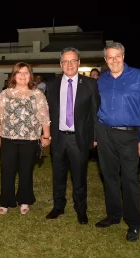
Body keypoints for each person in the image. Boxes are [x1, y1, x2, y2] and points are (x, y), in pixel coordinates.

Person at [95, 42, 140, 242]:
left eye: (117, 56)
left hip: (130, 136)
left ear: (123, 56)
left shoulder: (138, 77)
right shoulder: (101, 80)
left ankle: (134, 223)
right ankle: (113, 215)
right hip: (105, 134)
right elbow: (96, 108)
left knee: (129, 180)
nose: (114, 60)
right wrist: (96, 135)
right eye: (109, 57)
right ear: (105, 60)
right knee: (109, 177)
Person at [45, 47, 100, 225]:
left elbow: (95, 114)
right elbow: (47, 114)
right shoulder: (52, 85)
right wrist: (46, 135)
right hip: (58, 138)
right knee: (58, 175)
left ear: (78, 63)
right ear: (61, 64)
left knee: (79, 176)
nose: (69, 64)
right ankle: (58, 207)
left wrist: (94, 137)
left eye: (73, 61)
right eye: (65, 61)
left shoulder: (90, 84)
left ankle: (81, 209)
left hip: (79, 139)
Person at [0, 62, 50, 215]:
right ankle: (6, 201)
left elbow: (44, 116)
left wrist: (46, 136)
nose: (22, 76)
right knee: (7, 170)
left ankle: (25, 200)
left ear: (30, 75)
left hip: (30, 139)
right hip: (7, 138)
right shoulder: (5, 94)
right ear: (14, 75)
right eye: (19, 72)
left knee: (26, 171)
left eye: (26, 72)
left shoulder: (37, 94)